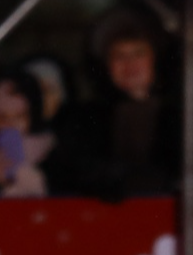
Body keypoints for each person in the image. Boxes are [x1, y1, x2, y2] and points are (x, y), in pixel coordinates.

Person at [64, 14, 181, 198]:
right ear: (106, 65)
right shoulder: (85, 118)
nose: (130, 65)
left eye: (139, 53)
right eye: (119, 56)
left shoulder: (179, 117)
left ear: (155, 60)